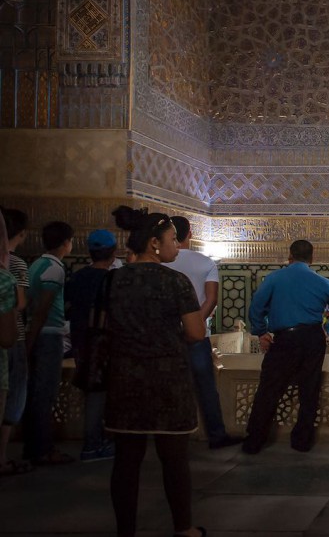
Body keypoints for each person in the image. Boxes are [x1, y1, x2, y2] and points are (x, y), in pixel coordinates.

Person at [108, 206, 206, 537]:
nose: (176, 247)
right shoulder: (175, 282)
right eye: (172, 240)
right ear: (154, 243)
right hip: (168, 380)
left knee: (126, 461)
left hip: (124, 378)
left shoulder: (114, 280)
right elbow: (195, 333)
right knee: (174, 459)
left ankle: (126, 531)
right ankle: (184, 528)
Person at [244, 239, 329, 454]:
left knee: (269, 389)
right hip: (312, 338)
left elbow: (256, 307)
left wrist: (261, 331)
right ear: (312, 258)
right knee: (309, 389)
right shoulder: (321, 282)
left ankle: (254, 441)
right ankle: (302, 441)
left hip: (284, 339)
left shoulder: (274, 279)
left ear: (289, 256)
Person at [165, 216, 242, 450]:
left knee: (166, 383)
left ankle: (166, 434)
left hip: (165, 336)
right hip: (197, 336)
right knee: (206, 387)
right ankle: (216, 435)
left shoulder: (159, 262)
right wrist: (195, 323)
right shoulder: (204, 262)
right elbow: (212, 299)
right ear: (189, 234)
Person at [23, 220, 75, 465]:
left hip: (40, 332)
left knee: (38, 393)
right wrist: (31, 341)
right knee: (45, 394)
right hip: (48, 335)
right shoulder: (54, 269)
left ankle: (35, 446)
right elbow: (43, 310)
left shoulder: (36, 265)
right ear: (66, 243)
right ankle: (42, 450)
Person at [65, 229, 119, 462]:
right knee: (100, 394)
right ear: (113, 253)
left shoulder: (77, 277)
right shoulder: (112, 279)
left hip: (81, 342)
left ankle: (96, 441)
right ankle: (93, 444)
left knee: (93, 392)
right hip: (104, 344)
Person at [0, 207, 31, 476]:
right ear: (21, 234)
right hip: (13, 336)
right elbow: (20, 303)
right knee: (13, 396)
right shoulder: (16, 265)